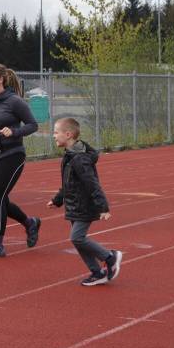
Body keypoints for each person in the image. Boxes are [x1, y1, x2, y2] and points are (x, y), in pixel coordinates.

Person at [0, 63, 42, 259]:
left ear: (0, 79)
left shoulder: (15, 102)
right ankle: (30, 223)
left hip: (12, 155)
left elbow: (33, 125)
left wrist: (14, 131)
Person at [48, 117, 122, 286]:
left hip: (84, 205)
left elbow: (92, 183)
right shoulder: (69, 156)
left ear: (68, 134)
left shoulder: (79, 159)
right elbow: (68, 183)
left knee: (77, 238)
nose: (54, 136)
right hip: (74, 204)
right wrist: (58, 199)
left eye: (56, 132)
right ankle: (97, 272)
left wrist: (103, 206)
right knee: (78, 240)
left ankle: (110, 257)